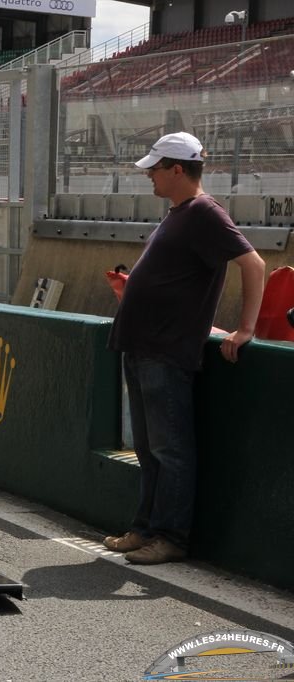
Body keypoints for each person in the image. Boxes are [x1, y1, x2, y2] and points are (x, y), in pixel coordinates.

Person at [104, 132, 265, 565]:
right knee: (149, 449)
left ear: (177, 169)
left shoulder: (204, 212)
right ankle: (145, 528)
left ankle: (171, 536)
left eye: (155, 169)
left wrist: (245, 328)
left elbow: (253, 263)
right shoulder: (181, 213)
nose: (149, 177)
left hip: (165, 350)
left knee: (169, 449)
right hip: (143, 346)